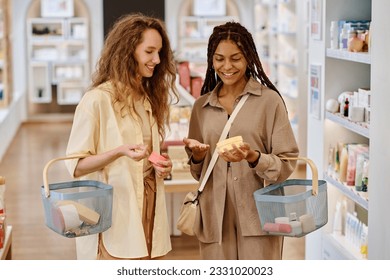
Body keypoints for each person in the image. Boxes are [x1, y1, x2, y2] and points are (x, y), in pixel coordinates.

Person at [65, 13, 178, 260]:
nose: (157, 60)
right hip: (113, 211)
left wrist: (159, 165)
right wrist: (118, 151)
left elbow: (144, 154)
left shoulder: (146, 99)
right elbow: (75, 166)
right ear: (128, 51)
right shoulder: (96, 100)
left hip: (148, 202)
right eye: (149, 51)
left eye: (159, 52)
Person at [183, 21, 299, 260]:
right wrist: (197, 157)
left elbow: (287, 163)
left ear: (248, 57)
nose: (227, 66)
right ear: (211, 60)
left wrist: (253, 157)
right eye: (219, 59)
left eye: (235, 58)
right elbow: (198, 173)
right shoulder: (201, 107)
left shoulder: (269, 102)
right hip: (214, 219)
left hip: (259, 217)